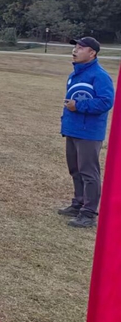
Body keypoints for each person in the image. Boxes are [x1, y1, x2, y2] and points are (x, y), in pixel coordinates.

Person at [58, 36, 115, 228]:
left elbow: (106, 102)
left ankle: (89, 213)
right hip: (73, 129)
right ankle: (78, 203)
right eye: (75, 47)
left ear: (92, 53)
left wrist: (79, 106)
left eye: (80, 48)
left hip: (88, 133)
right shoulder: (75, 74)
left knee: (88, 172)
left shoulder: (99, 75)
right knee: (75, 169)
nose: (75, 50)